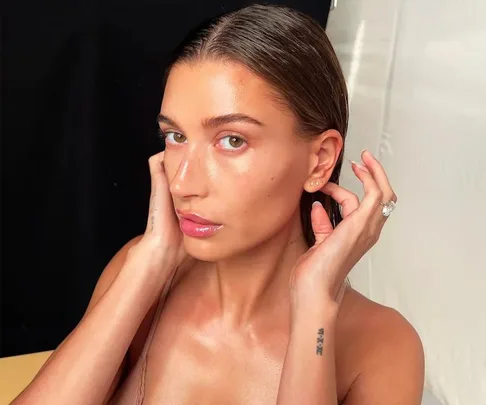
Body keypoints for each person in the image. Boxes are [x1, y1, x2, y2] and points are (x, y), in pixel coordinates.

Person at [12, 4, 424, 405]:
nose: (182, 182)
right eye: (175, 136)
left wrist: (315, 306)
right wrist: (148, 265)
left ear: (319, 160)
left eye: (232, 140)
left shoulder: (381, 346)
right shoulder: (137, 270)